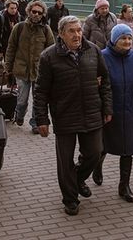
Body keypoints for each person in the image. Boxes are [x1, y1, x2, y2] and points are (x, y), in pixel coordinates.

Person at [34, 16, 112, 216]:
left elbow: (105, 82)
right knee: (65, 161)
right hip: (64, 114)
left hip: (91, 112)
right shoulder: (49, 56)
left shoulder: (93, 51)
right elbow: (41, 91)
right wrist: (42, 119)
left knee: (95, 152)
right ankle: (70, 199)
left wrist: (107, 108)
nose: (77, 35)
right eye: (72, 31)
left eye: (79, 30)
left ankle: (77, 179)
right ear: (61, 34)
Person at [94, 24, 133, 202]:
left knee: (128, 149)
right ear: (115, 40)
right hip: (107, 109)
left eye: (130, 38)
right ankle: (97, 166)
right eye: (123, 38)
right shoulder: (102, 56)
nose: (127, 41)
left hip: (129, 110)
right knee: (102, 146)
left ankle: (124, 186)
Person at [5, 0, 55, 133]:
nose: (37, 15)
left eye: (40, 12)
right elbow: (11, 48)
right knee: (22, 100)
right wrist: (7, 68)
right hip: (21, 70)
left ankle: (35, 124)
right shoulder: (19, 27)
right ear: (29, 11)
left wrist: (52, 70)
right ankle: (19, 114)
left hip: (39, 71)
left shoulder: (46, 30)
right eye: (34, 11)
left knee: (38, 100)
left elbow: (51, 50)